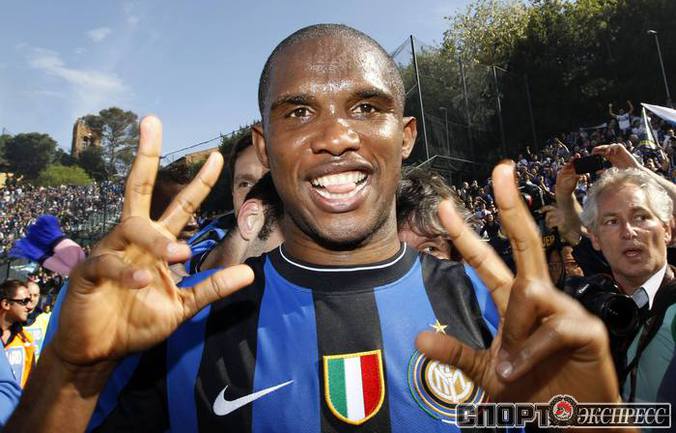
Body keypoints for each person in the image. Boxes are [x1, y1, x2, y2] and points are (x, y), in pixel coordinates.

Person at [7, 24, 622, 433]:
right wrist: (71, 372)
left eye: (367, 108)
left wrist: (597, 422)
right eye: (299, 112)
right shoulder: (182, 326)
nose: (335, 136)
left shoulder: (495, 312)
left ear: (406, 136)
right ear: (264, 147)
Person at [580, 167, 675, 404]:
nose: (628, 232)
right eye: (612, 221)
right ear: (595, 238)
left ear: (667, 229)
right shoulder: (585, 313)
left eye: (641, 217)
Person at [0, 280, 35, 388]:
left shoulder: (26, 340)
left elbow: (31, 381)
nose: (30, 307)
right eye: (24, 301)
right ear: (6, 304)